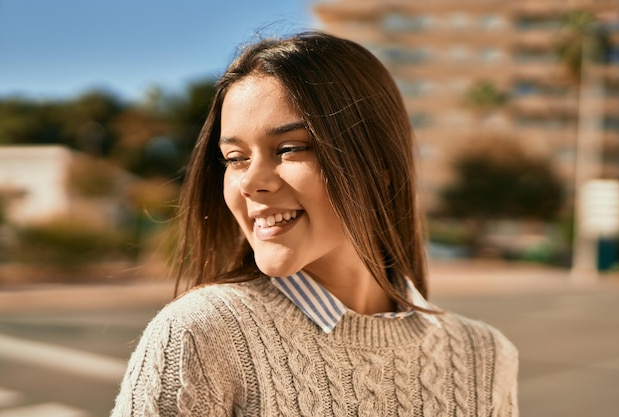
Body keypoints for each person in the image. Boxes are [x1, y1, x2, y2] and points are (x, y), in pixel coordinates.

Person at [111, 31, 518, 416]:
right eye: (235, 158)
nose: (250, 182)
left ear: (380, 167)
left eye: (289, 149)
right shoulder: (200, 334)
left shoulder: (485, 356)